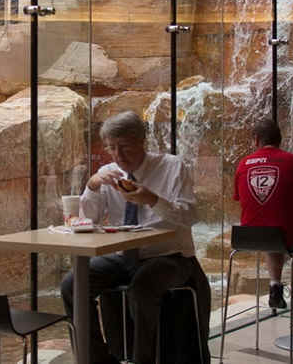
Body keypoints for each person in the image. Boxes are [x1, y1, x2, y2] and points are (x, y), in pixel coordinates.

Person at [60, 111, 208, 364]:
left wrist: (152, 199)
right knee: (72, 284)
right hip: (123, 256)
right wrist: (93, 185)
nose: (118, 155)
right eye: (111, 148)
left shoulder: (172, 167)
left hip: (170, 256)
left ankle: (143, 360)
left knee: (142, 287)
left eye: (125, 147)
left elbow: (190, 215)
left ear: (141, 141)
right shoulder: (107, 173)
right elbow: (88, 219)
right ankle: (97, 360)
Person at [234, 118, 293, 309]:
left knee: (272, 231)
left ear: (256, 140)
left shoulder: (243, 164)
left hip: (249, 237)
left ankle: (275, 287)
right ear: (280, 139)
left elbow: (242, 201)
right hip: (287, 235)